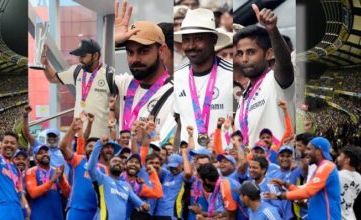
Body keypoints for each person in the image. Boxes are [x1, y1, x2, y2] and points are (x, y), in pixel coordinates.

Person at [234, 4, 295, 146]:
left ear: (268, 54)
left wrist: (272, 29)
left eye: (251, 52)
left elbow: (285, 64)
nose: (244, 59)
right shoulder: (245, 94)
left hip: (278, 165)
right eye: (240, 53)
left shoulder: (276, 81)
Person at [174, 8, 233, 148]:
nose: (191, 46)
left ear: (214, 39)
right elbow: (177, 125)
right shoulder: (176, 78)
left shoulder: (232, 76)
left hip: (225, 163)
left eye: (198, 39)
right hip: (190, 164)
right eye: (186, 40)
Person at [114, 1, 174, 136]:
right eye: (130, 52)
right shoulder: (124, 83)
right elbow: (90, 74)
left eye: (143, 51)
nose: (135, 59)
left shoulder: (176, 93)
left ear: (162, 50)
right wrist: (115, 41)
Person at [41, 38, 113, 138]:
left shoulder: (109, 74)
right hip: (79, 136)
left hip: (101, 138)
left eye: (83, 56)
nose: (80, 60)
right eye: (79, 56)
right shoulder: (76, 70)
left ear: (96, 55)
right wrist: (45, 64)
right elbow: (53, 78)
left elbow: (118, 106)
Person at [265, 137, 341, 220]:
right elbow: (305, 190)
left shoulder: (326, 167)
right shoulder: (319, 168)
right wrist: (286, 184)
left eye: (309, 149)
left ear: (318, 151)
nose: (305, 152)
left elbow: (307, 192)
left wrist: (280, 196)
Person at [87, 140, 150, 220]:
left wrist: (145, 206)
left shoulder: (126, 186)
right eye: (115, 161)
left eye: (120, 162)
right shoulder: (102, 179)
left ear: (124, 167)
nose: (118, 163)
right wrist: (99, 144)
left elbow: (140, 203)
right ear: (108, 165)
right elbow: (90, 168)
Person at [25, 145, 71, 220]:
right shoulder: (31, 172)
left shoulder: (57, 171)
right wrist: (51, 181)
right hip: (38, 217)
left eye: (46, 152)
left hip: (57, 216)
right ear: (35, 158)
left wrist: (61, 179)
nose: (44, 154)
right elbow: (33, 193)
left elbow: (67, 193)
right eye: (40, 153)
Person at [337, 146, 361, 220]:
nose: (337, 158)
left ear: (347, 160)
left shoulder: (336, 176)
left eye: (340, 155)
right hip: (351, 216)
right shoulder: (359, 177)